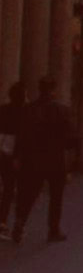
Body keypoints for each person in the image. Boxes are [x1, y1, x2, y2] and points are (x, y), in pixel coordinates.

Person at [11, 78, 76, 242]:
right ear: (53, 90)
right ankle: (53, 229)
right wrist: (70, 161)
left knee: (28, 193)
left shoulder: (29, 109)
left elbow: (21, 135)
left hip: (33, 158)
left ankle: (20, 221)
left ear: (40, 90)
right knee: (56, 196)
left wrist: (18, 156)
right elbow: (71, 138)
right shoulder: (62, 110)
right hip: (55, 158)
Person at [0, 82, 23, 220]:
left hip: (2, 148)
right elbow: (21, 137)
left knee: (8, 187)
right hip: (11, 153)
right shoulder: (23, 113)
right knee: (9, 188)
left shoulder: (2, 109)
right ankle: (3, 219)